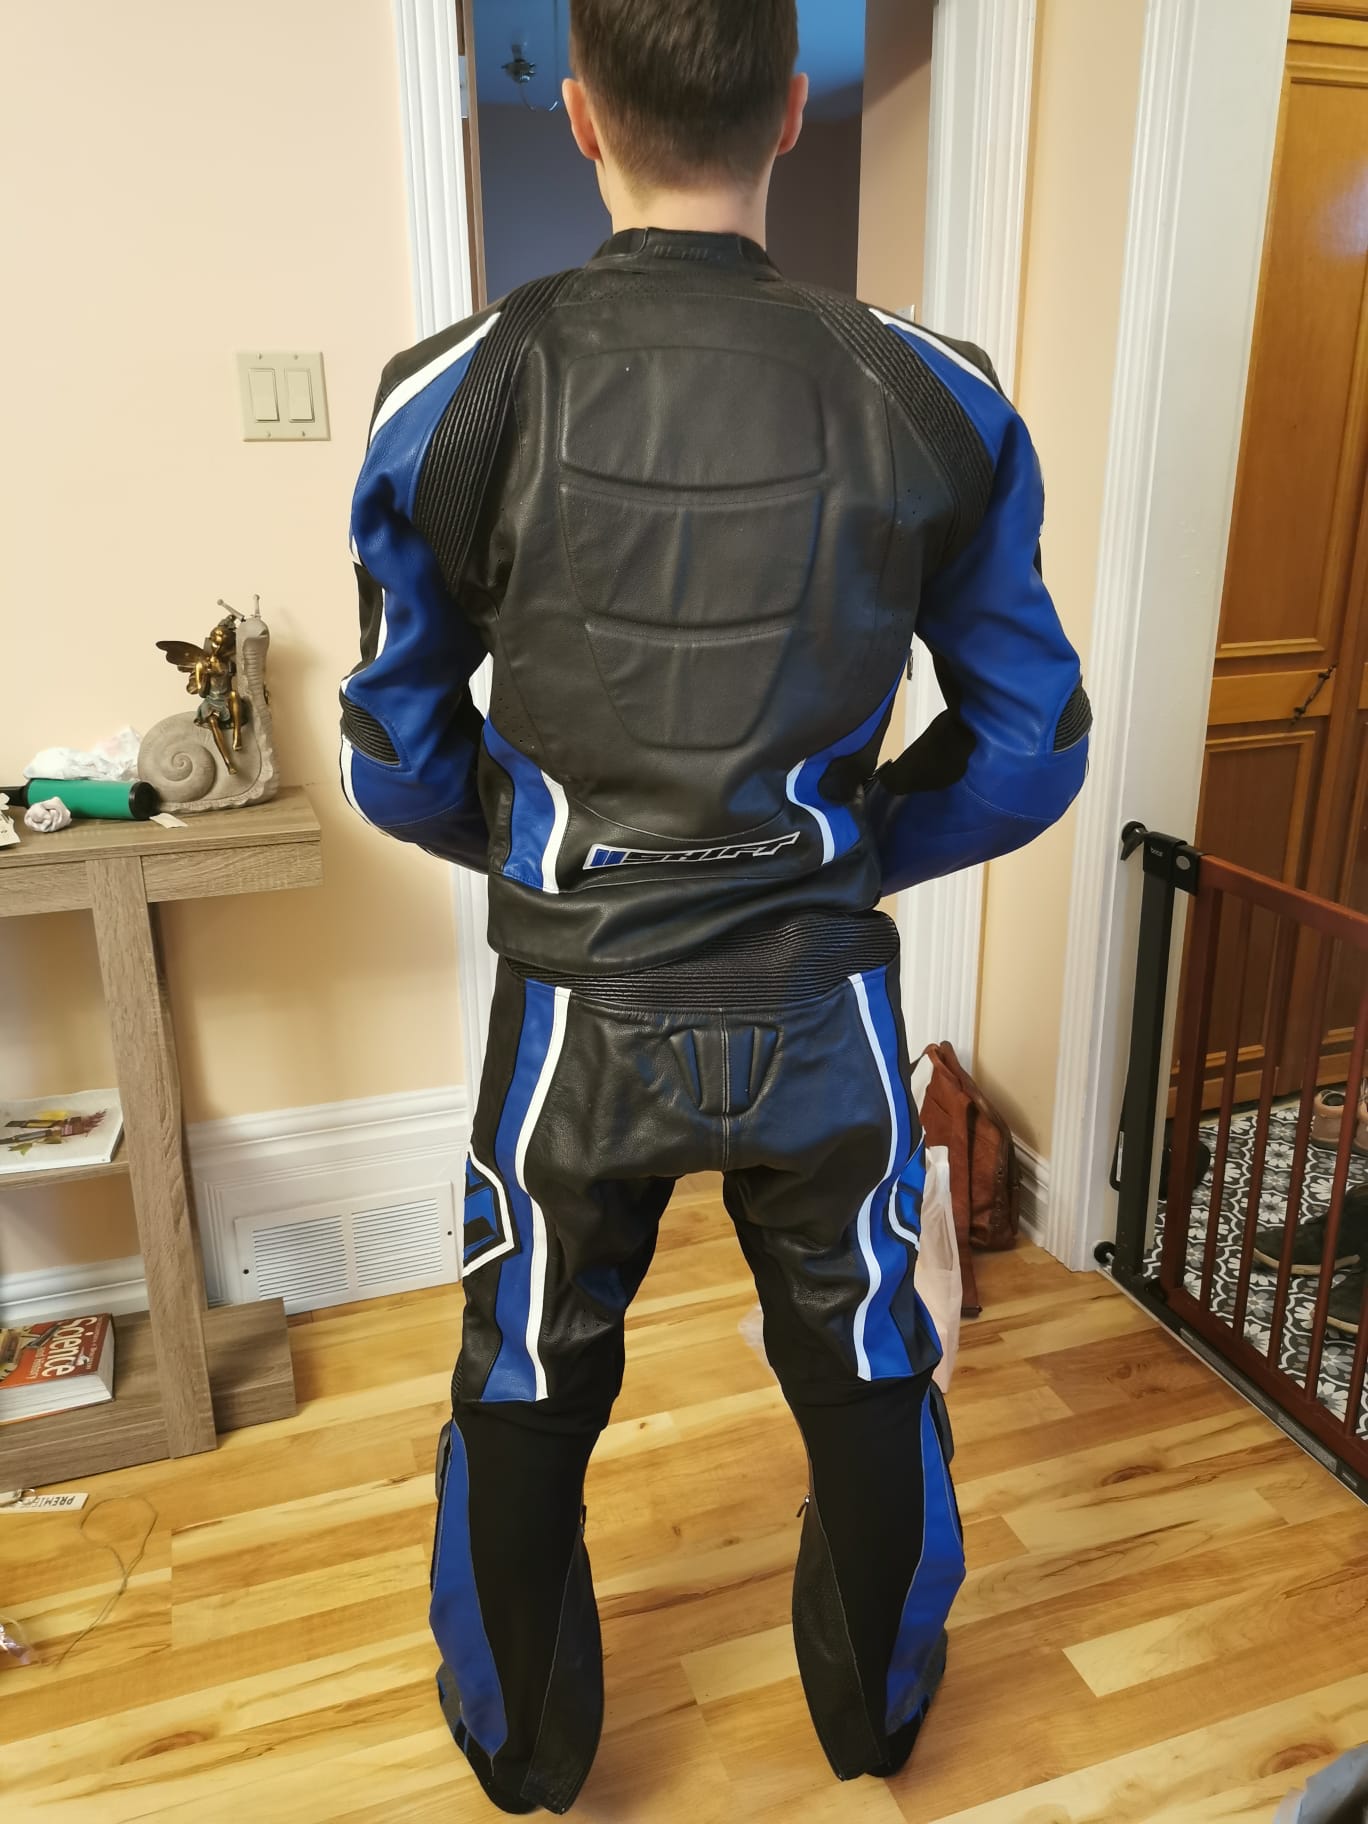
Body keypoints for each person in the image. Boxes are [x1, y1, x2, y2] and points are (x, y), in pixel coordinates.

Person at [341, 1, 1090, 1812]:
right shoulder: (936, 388)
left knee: (527, 1367)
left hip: (575, 1014)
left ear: (582, 114)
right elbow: (1030, 746)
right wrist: (849, 851)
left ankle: (522, 1756)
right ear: (795, 110)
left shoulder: (456, 387)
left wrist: (555, 853)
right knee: (865, 1352)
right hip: (817, 1002)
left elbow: (397, 754)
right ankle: (874, 1724)